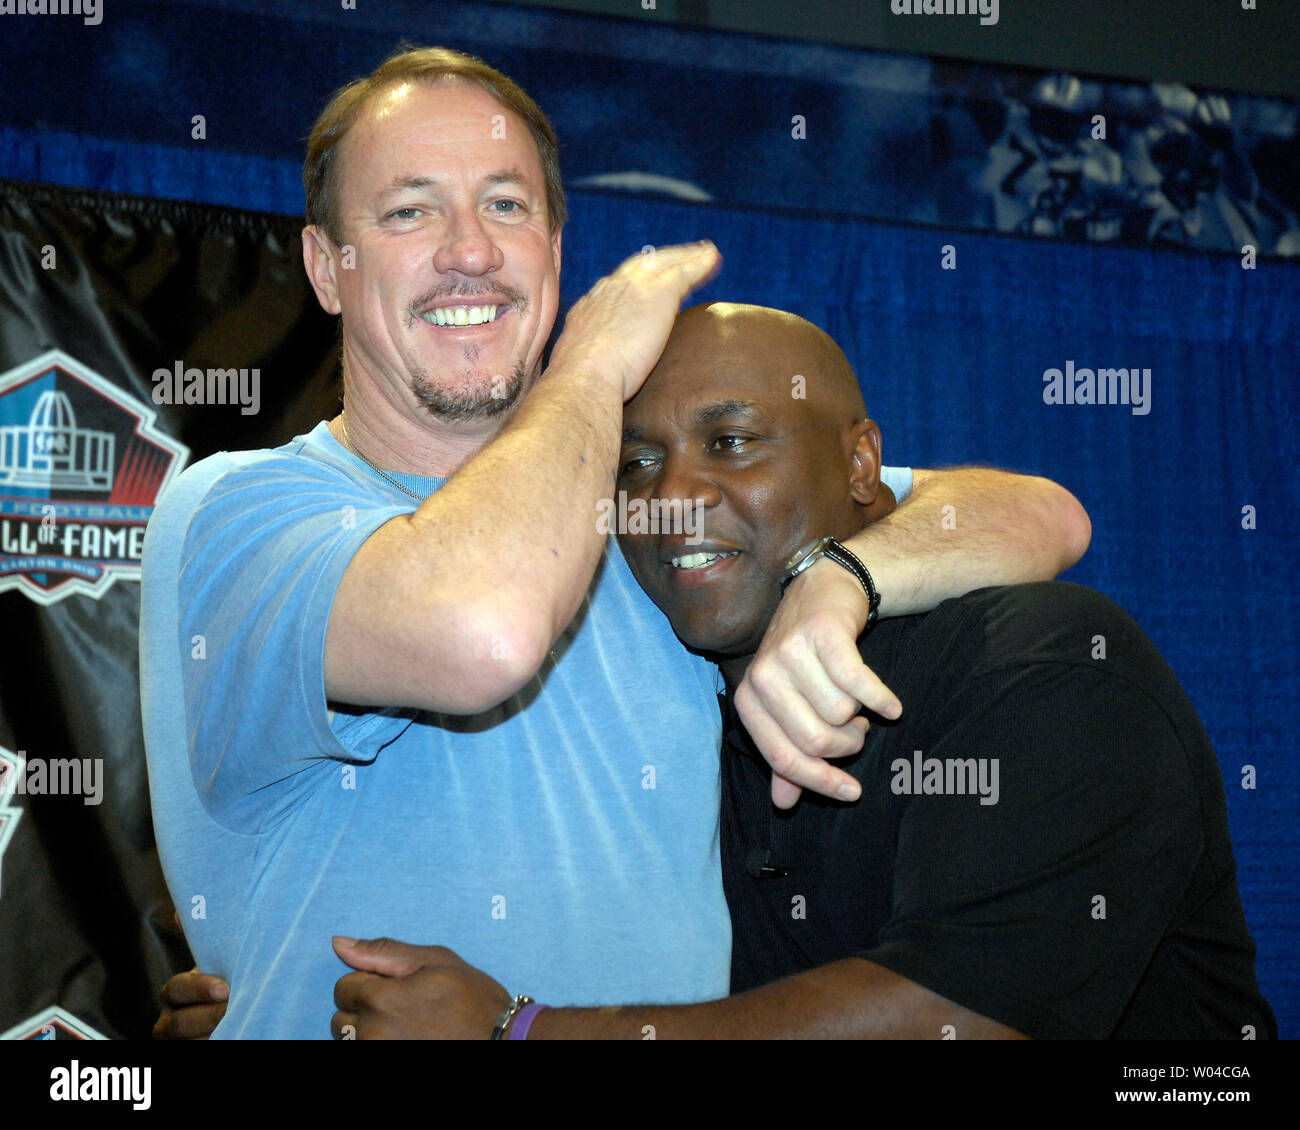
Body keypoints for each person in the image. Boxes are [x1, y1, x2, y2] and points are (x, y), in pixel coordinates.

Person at [142, 48, 1090, 1039]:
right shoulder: (240, 514)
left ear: (555, 250)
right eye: (410, 210)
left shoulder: (648, 513)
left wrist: (840, 576)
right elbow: (482, 630)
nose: (469, 249)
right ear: (327, 269)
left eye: (505, 206)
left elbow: (1037, 513)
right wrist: (590, 364)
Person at [301, 303, 1268, 1039]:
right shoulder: (677, 711)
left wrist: (521, 1031)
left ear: (862, 467)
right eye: (636, 465)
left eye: (732, 443)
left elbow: (952, 1023)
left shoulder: (1044, 665)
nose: (675, 497)